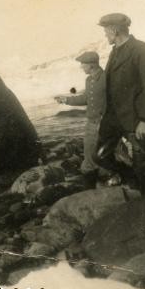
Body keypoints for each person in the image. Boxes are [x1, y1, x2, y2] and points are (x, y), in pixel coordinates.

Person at [95, 13, 145, 195]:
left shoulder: (143, 50)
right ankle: (132, 178)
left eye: (105, 30)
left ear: (114, 30)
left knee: (144, 167)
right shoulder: (114, 51)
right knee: (100, 156)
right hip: (113, 119)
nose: (105, 35)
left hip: (135, 119)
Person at [55, 51, 108, 188]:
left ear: (91, 65)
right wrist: (66, 100)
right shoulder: (89, 79)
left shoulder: (106, 78)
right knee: (90, 156)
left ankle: (91, 189)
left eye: (82, 64)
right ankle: (92, 189)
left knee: (102, 155)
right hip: (91, 123)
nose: (81, 67)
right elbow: (86, 99)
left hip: (104, 123)